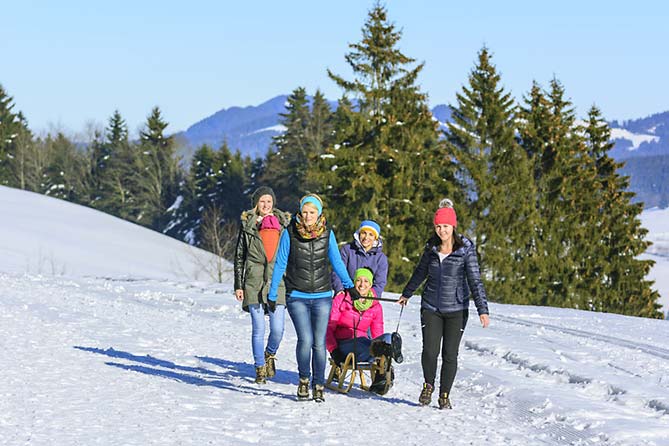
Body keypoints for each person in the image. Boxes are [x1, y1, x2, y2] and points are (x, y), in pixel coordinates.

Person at [398, 199, 490, 409]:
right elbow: (420, 271)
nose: (442, 231)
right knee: (430, 351)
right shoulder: (431, 247)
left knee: (450, 354)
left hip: (457, 309)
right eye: (438, 226)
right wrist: (407, 293)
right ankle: (428, 385)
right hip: (431, 306)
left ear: (453, 226)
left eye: (446, 226)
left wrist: (482, 310)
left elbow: (475, 280)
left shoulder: (465, 249)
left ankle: (444, 394)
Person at [268, 193, 359, 403]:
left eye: (312, 212)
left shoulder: (327, 234)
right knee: (306, 339)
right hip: (297, 295)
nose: (308, 216)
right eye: (305, 212)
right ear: (300, 212)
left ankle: (318, 384)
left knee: (319, 343)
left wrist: (349, 286)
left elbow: (336, 262)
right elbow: (280, 264)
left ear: (319, 213)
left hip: (323, 296)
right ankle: (303, 380)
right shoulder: (289, 233)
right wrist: (273, 294)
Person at [234, 186, 291, 384]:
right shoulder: (247, 225)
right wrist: (238, 285)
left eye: (269, 201)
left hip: (278, 281)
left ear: (273, 203)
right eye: (262, 201)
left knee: (278, 329)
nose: (266, 205)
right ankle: (259, 367)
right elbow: (239, 256)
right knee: (258, 328)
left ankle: (269, 354)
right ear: (256, 204)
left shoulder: (283, 225)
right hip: (253, 280)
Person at [331, 220, 388, 298]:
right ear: (359, 234)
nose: (366, 237)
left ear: (375, 238)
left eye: (371, 234)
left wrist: (371, 298)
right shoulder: (347, 250)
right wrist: (340, 290)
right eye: (364, 233)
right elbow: (337, 272)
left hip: (367, 299)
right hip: (346, 295)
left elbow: (380, 282)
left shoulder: (381, 258)